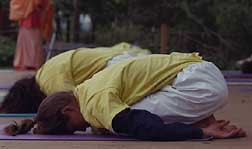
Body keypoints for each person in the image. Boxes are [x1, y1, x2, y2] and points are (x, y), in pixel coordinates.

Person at [4, 52, 246, 141]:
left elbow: (147, 128)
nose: (82, 130)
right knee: (117, 117)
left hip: (200, 86)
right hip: (199, 73)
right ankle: (203, 117)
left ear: (68, 111)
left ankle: (203, 122)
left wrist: (200, 133)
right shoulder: (87, 87)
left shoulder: (92, 102)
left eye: (75, 129)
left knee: (122, 123)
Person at [0, 42, 150, 113]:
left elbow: (78, 104)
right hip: (120, 61)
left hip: (121, 65)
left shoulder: (50, 84)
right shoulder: (44, 73)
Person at [9, 0, 53, 70]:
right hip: (30, 19)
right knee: (32, 43)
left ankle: (28, 63)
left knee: (33, 43)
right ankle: (28, 63)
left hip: (33, 19)